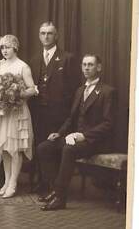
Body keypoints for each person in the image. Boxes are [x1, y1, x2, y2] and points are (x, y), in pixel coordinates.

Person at [37, 54, 116, 211]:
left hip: (95, 141)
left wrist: (84, 136)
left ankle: (60, 198)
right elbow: (71, 118)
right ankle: (56, 190)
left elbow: (109, 124)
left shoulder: (108, 91)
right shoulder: (80, 90)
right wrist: (59, 133)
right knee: (44, 147)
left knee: (68, 149)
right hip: (77, 138)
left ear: (98, 67)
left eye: (90, 65)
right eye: (84, 64)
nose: (86, 68)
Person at [29, 21, 80, 194]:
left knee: (54, 148)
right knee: (40, 146)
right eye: (43, 33)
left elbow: (74, 90)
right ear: (39, 36)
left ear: (56, 36)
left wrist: (67, 115)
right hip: (39, 112)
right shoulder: (35, 59)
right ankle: (43, 182)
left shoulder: (67, 58)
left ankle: (55, 188)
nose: (46, 36)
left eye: (49, 33)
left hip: (59, 114)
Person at [0, 35, 37, 198]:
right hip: (2, 112)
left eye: (7, 47)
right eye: (2, 47)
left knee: (14, 149)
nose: (4, 50)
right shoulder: (0, 66)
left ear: (15, 48)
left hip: (16, 113)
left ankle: (13, 183)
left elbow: (33, 89)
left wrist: (16, 94)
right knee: (5, 149)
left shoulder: (23, 66)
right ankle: (6, 182)